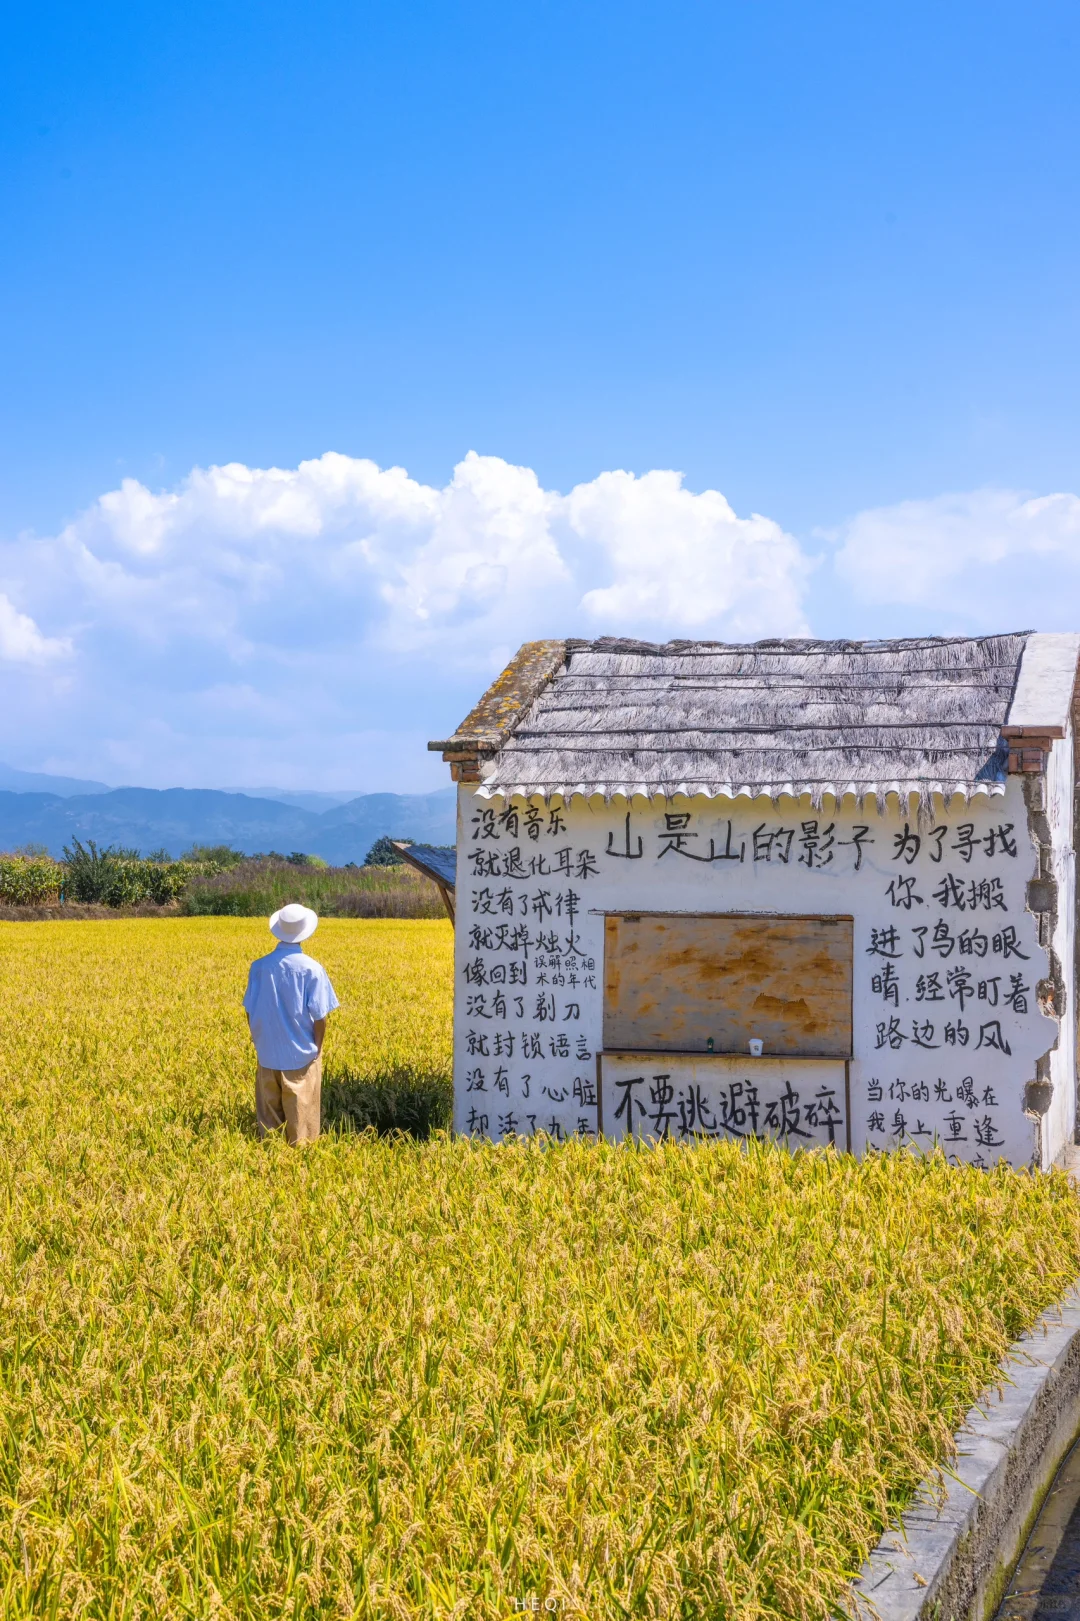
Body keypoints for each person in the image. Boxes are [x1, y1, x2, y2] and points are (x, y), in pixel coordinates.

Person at [243, 903, 339, 1144]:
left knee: (270, 1131)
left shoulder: (259, 967)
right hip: (301, 1058)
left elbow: (249, 1010)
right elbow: (320, 1017)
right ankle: (299, 1175)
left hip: (267, 1056)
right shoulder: (312, 969)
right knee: (302, 1134)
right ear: (305, 932)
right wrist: (317, 1048)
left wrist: (259, 1042)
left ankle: (271, 1170)